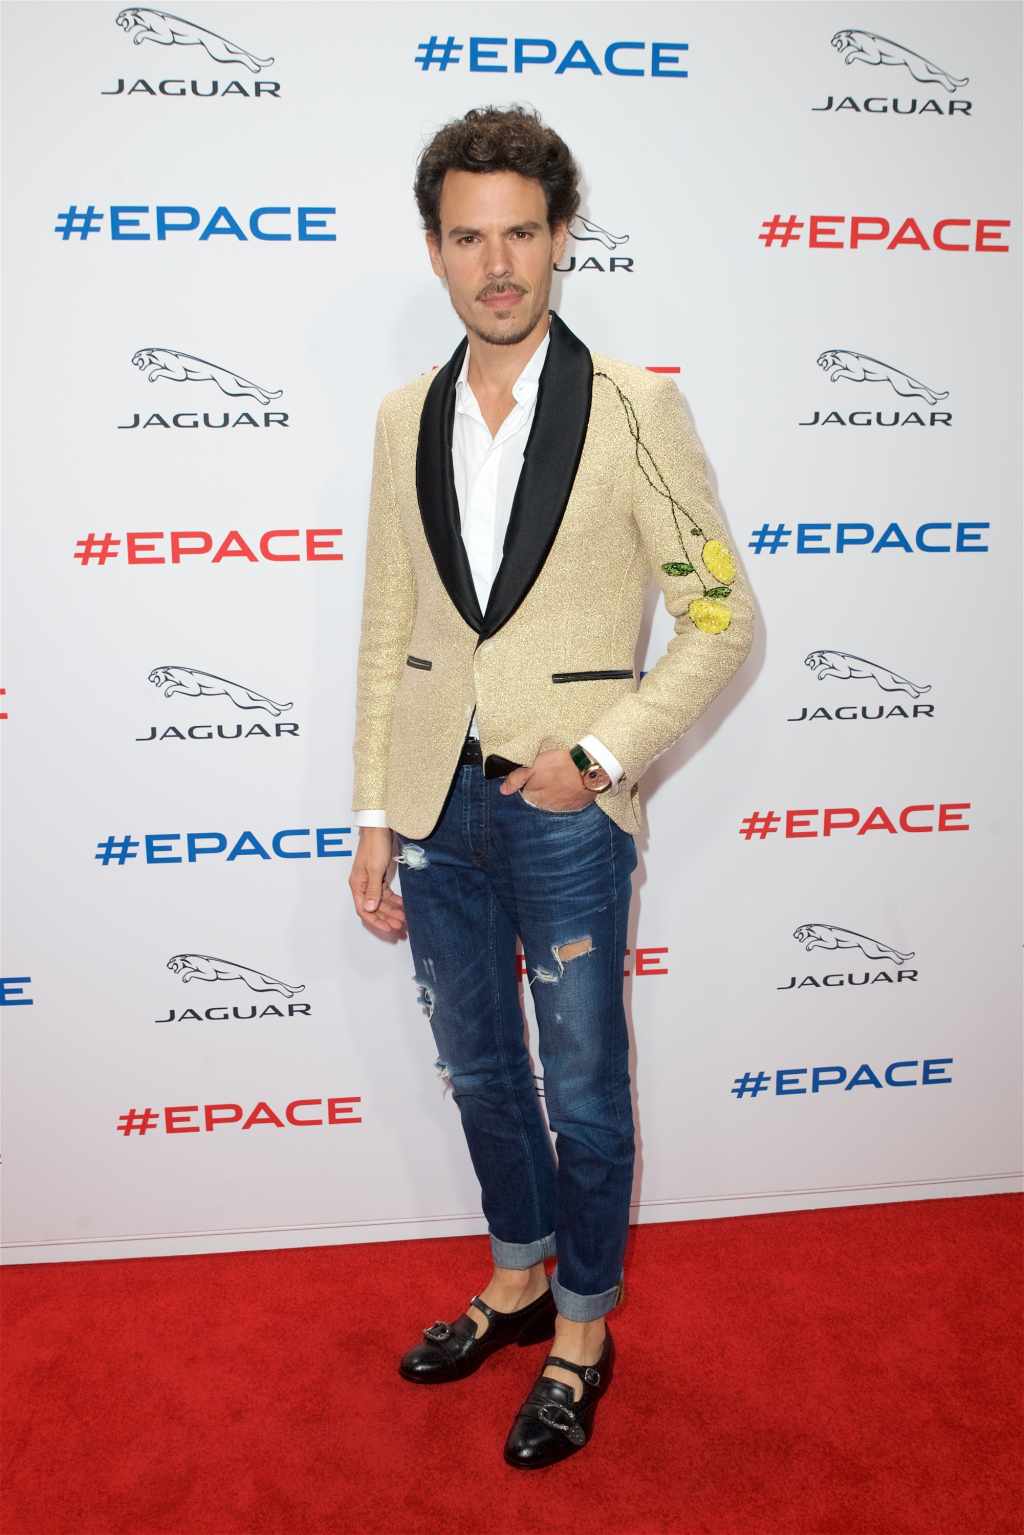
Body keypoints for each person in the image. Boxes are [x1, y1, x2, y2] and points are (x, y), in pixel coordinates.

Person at [348, 104, 755, 1468]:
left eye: (521, 233)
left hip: (563, 810)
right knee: (478, 1071)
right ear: (435, 249)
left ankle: (583, 1331)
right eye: (469, 238)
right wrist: (373, 812)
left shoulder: (636, 406)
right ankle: (516, 1278)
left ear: (561, 237)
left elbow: (720, 616)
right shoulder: (403, 416)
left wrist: (597, 760)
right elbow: (389, 624)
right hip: (433, 809)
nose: (498, 264)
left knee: (582, 1086)